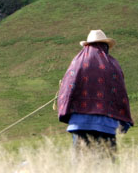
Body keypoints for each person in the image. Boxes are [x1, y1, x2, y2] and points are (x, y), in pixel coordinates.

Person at [57, 29, 133, 157]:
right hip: (107, 127)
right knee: (106, 168)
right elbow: (120, 94)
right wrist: (123, 124)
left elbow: (67, 89)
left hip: (79, 124)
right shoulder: (113, 65)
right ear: (105, 46)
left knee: (82, 168)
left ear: (87, 45)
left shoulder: (77, 63)